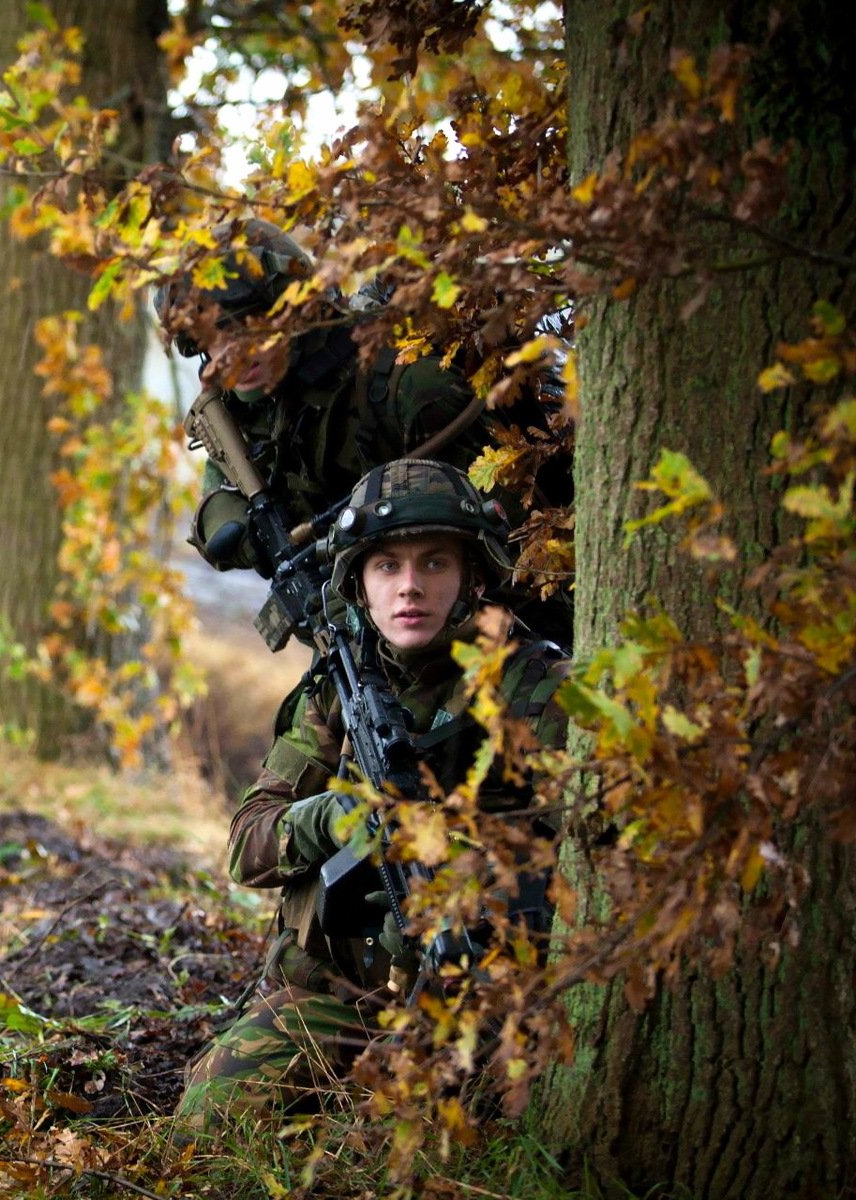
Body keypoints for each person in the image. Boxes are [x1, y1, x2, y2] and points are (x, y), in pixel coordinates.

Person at [175, 459, 568, 1125]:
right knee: (207, 1120)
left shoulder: (536, 690)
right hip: (339, 994)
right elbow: (248, 846)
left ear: (472, 576)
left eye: (434, 564)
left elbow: (594, 849)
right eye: (387, 567)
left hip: (483, 995)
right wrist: (328, 818)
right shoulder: (338, 690)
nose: (409, 588)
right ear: (359, 583)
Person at [159, 219, 496, 578]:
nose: (232, 355)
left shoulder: (409, 387)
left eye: (246, 329)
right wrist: (238, 529)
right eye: (212, 337)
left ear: (296, 312)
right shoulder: (244, 408)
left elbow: (501, 544)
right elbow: (223, 477)